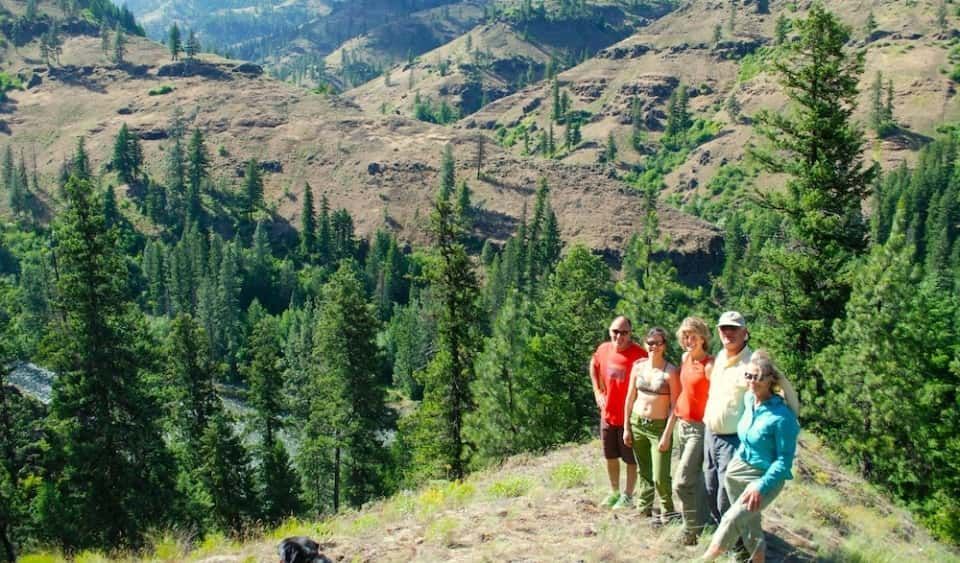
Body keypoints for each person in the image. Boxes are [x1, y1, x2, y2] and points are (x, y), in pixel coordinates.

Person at [703, 350, 800, 563]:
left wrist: (760, 485)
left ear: (770, 381)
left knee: (732, 518)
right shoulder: (749, 399)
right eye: (748, 376)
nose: (751, 381)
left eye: (757, 377)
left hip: (763, 478)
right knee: (749, 524)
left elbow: (784, 462)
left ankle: (705, 559)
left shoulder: (782, 417)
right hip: (738, 472)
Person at [590, 316, 647, 509]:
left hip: (629, 418)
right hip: (608, 415)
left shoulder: (640, 355)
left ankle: (628, 495)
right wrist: (597, 391)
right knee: (610, 456)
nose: (619, 336)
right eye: (615, 331)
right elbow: (593, 365)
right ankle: (614, 492)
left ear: (630, 334)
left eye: (624, 332)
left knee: (630, 459)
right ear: (609, 331)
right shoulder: (603, 349)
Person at [623, 327, 679, 520]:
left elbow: (675, 406)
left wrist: (667, 434)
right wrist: (626, 428)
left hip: (658, 427)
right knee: (644, 470)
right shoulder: (638, 367)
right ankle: (644, 508)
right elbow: (630, 398)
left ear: (664, 345)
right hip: (637, 422)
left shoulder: (670, 372)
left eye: (657, 343)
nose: (653, 346)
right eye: (650, 342)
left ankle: (668, 511)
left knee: (660, 476)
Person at [702, 311, 752, 525]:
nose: (728, 333)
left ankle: (737, 546)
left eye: (734, 328)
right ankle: (721, 533)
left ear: (745, 333)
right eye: (724, 328)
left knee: (727, 493)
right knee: (710, 487)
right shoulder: (720, 357)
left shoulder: (752, 363)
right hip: (710, 433)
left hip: (734, 439)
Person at [673, 317, 714, 545]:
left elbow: (717, 396)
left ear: (702, 337)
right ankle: (703, 524)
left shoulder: (709, 365)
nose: (689, 340)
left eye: (693, 335)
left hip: (700, 428)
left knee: (682, 482)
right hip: (683, 425)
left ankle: (690, 531)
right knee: (696, 481)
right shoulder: (684, 358)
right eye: (685, 335)